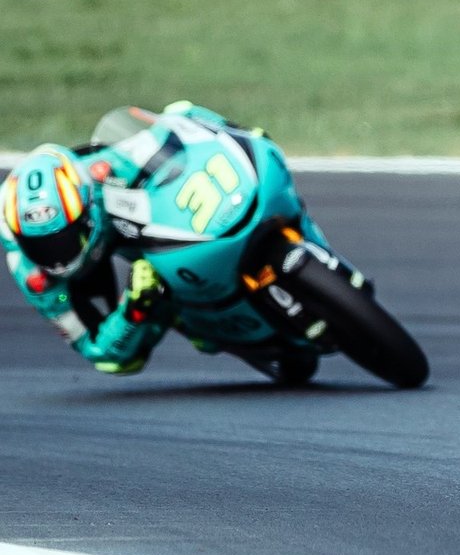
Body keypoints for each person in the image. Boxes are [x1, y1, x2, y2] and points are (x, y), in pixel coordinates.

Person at [0, 100, 328, 380]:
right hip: (141, 276)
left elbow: (182, 116)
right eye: (42, 246)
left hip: (135, 221)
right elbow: (103, 355)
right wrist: (133, 308)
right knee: (131, 338)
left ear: (87, 209)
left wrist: (234, 133)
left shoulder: (107, 168)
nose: (57, 256)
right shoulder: (34, 272)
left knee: (181, 110)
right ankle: (196, 320)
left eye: (64, 239)